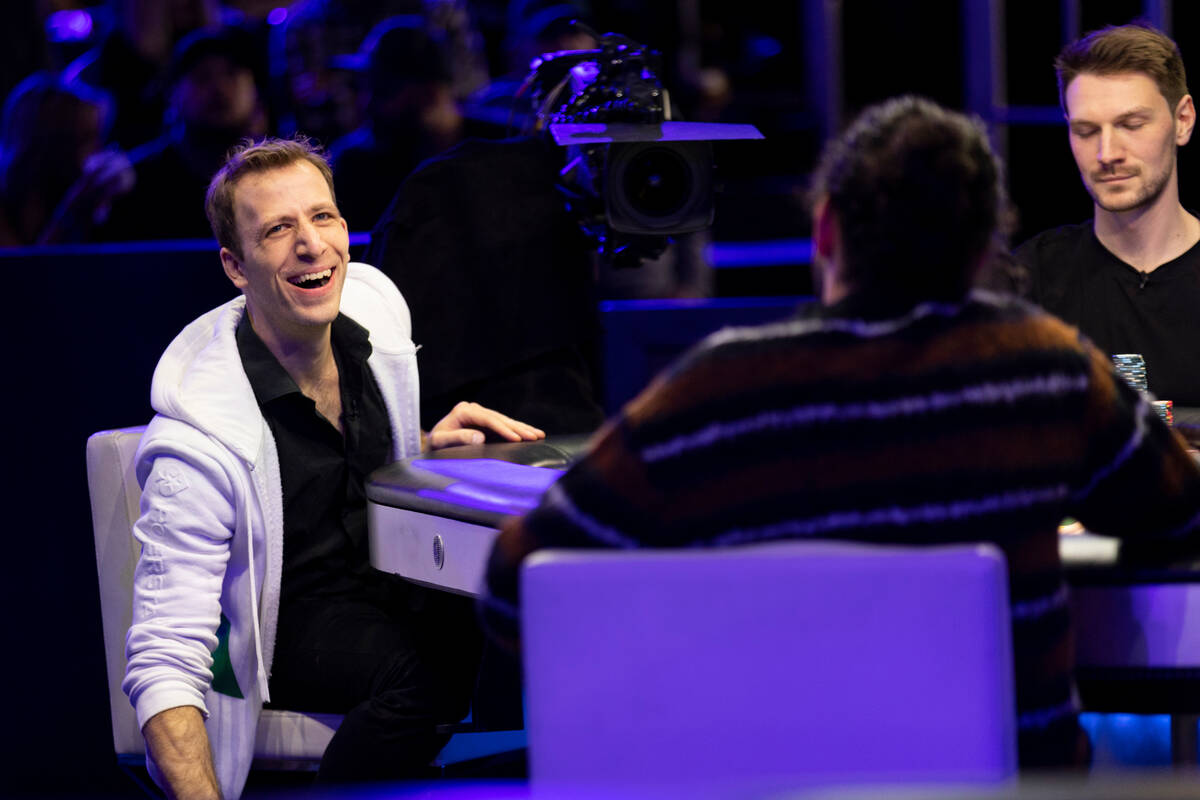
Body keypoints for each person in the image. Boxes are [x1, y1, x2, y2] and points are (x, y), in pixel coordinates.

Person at [481, 96, 1200, 770]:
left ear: (825, 227)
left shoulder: (718, 388)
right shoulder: (1044, 371)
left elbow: (516, 579)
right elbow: (1180, 513)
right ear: (986, 243)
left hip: (777, 779)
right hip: (1013, 785)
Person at [123, 136, 544, 800]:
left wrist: (422, 447)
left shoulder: (375, 316)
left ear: (347, 229)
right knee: (424, 671)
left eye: (322, 217)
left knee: (530, 611)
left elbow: (342, 472)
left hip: (386, 586)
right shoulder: (199, 440)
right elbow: (163, 655)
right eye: (278, 230)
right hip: (285, 625)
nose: (311, 243)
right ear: (236, 266)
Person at [1009, 23, 1200, 409]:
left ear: (1182, 120)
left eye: (1131, 125)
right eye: (1086, 130)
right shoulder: (1028, 283)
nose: (1107, 153)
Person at [101, 26, 269, 241]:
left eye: (232, 73)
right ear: (173, 94)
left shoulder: (279, 173)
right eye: (202, 76)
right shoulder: (135, 181)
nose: (220, 88)